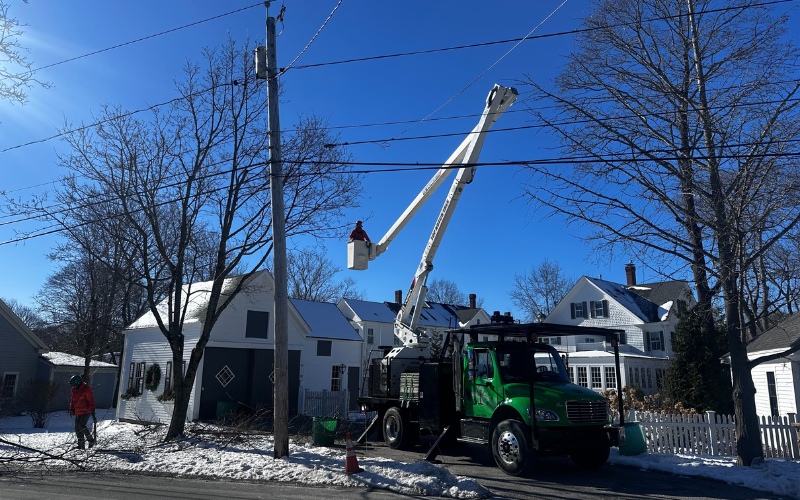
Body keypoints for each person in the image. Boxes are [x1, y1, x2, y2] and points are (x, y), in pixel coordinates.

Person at [68, 375, 96, 449]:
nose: (73, 386)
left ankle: (91, 440)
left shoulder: (86, 389)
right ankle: (81, 444)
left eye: (74, 384)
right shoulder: (73, 390)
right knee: (77, 428)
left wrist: (92, 408)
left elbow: (90, 400)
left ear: (78, 383)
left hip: (86, 411)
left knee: (81, 426)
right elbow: (72, 400)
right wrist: (71, 409)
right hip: (78, 411)